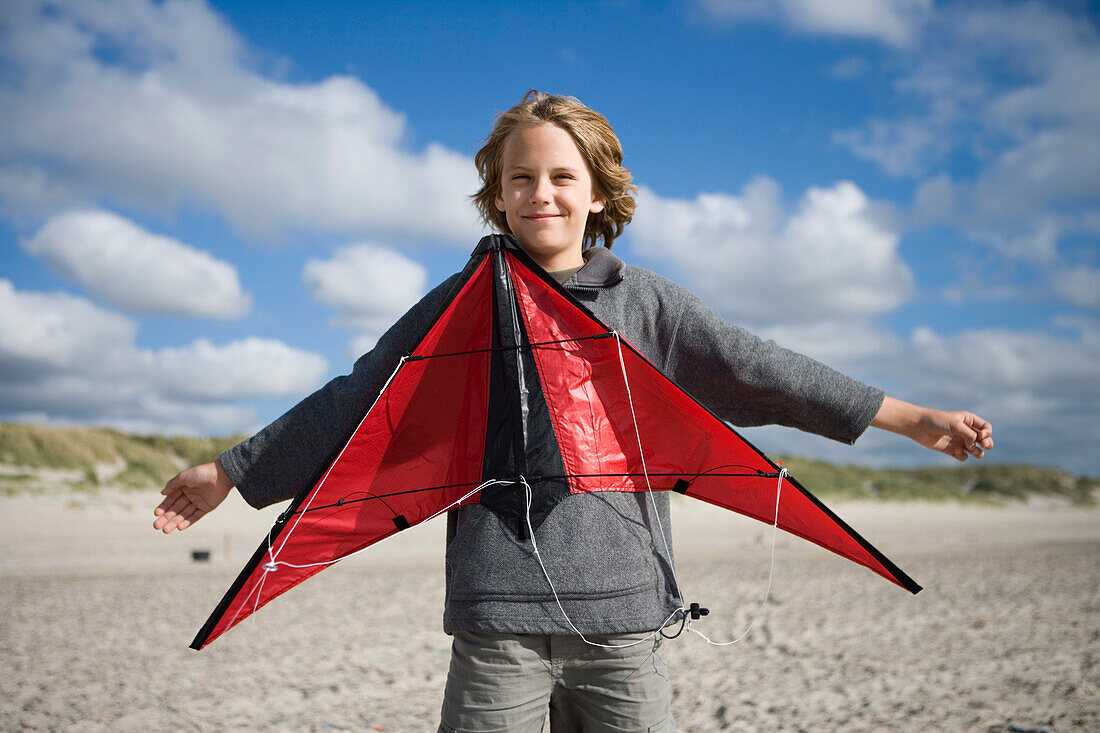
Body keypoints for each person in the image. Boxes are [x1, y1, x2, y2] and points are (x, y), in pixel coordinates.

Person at [155, 90, 993, 732]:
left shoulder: (647, 305)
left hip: (625, 619)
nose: (541, 194)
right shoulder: (463, 306)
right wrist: (232, 470)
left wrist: (910, 417)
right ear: (498, 193)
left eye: (563, 177)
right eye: (521, 178)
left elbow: (759, 368)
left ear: (598, 194)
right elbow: (358, 397)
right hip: (498, 622)